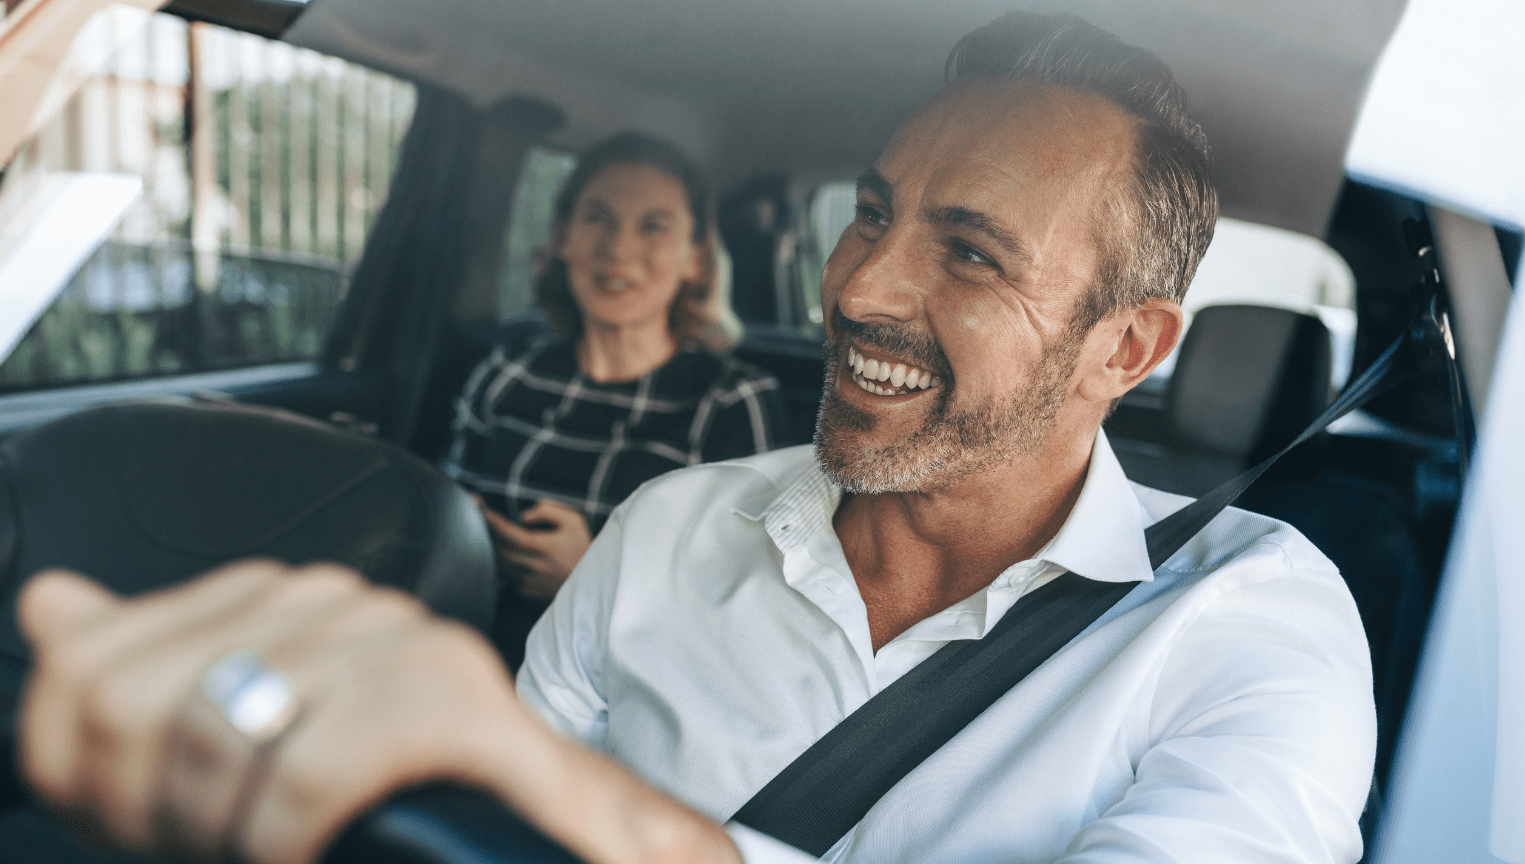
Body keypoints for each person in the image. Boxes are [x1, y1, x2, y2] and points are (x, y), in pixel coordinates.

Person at [15, 12, 1375, 864]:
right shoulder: (672, 529)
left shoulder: (1249, 625)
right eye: (872, 212)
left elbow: (515, 791)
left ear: (1125, 350)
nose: (856, 290)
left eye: (966, 251)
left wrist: (568, 809)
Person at [440, 132, 787, 664]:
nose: (618, 249)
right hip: (465, 654)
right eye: (597, 218)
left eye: (653, 226)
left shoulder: (734, 401)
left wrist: (593, 577)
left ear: (694, 258)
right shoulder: (509, 370)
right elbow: (447, 509)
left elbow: (747, 609)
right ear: (561, 239)